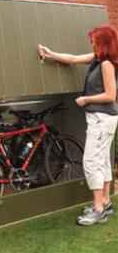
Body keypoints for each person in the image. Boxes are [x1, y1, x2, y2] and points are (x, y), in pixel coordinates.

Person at [38, 25, 118, 226]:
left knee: (91, 162)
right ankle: (106, 202)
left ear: (103, 43)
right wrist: (50, 54)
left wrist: (86, 99)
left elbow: (111, 95)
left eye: (94, 40)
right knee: (102, 161)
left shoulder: (107, 64)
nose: (91, 43)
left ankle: (98, 209)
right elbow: (73, 59)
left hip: (102, 118)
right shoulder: (97, 59)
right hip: (102, 118)